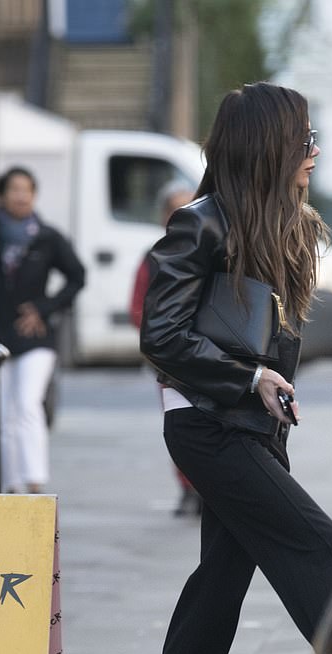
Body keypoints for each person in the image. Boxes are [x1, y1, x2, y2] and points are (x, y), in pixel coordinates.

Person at [109, 82, 332, 654]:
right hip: (210, 431)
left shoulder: (283, 226)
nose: (313, 149)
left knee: (212, 606)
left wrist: (267, 395)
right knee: (324, 551)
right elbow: (162, 333)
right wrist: (248, 379)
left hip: (249, 434)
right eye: (303, 137)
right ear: (267, 145)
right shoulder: (200, 223)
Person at [0, 166, 86, 493]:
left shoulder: (47, 236)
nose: (21, 196)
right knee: (4, 413)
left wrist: (44, 308)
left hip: (35, 339)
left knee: (26, 404)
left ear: (34, 195)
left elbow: (77, 276)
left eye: (27, 190)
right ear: (1, 195)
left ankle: (35, 481)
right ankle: (11, 484)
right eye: (14, 189)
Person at [129, 180, 201, 516]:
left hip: (207, 354)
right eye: (175, 209)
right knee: (181, 427)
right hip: (169, 360)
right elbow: (137, 308)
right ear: (163, 216)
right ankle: (188, 489)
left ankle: (209, 490)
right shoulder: (153, 256)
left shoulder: (213, 248)